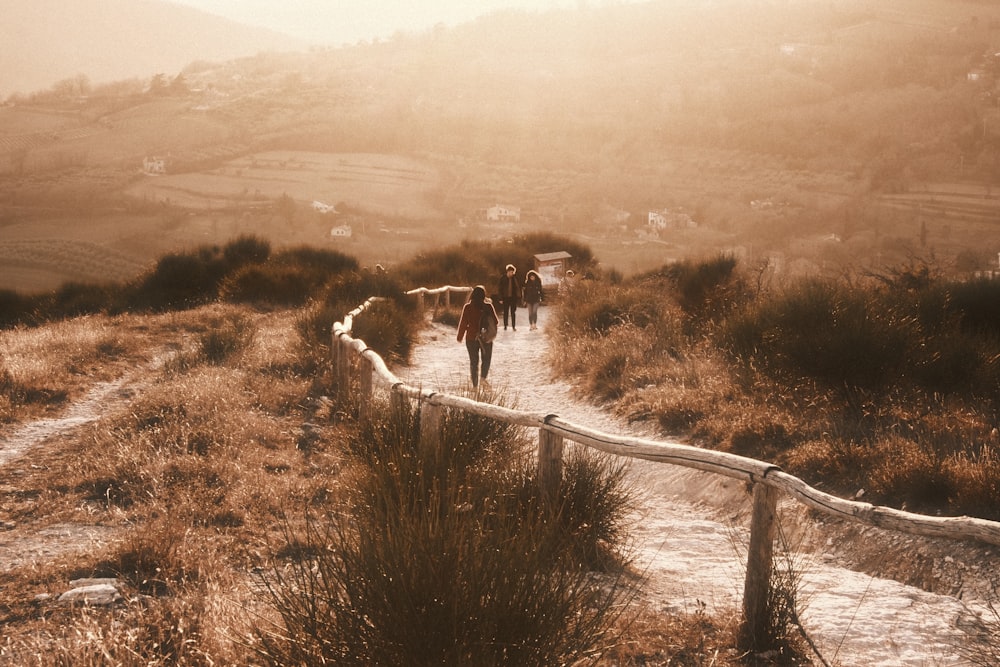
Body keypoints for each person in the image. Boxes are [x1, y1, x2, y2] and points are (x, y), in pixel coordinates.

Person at [456, 285, 499, 388]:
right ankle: (483, 378)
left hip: (471, 338)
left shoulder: (467, 307)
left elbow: (463, 323)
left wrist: (460, 337)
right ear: (484, 295)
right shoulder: (488, 306)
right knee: (486, 359)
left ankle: (475, 385)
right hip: (485, 337)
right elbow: (496, 321)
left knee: (473, 362)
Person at [496, 264, 523, 331]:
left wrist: (519, 297)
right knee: (505, 312)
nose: (512, 273)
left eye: (513, 272)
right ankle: (505, 326)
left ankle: (513, 326)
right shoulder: (503, 278)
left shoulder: (515, 278)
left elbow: (518, 288)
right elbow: (500, 289)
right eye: (511, 272)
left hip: (513, 298)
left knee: (513, 312)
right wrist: (500, 298)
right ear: (508, 271)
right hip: (505, 298)